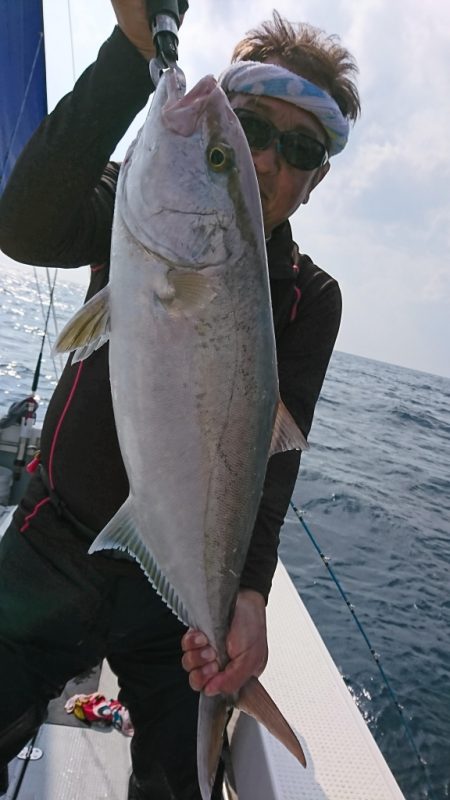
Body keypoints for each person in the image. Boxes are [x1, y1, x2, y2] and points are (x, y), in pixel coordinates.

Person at [0, 1, 360, 798]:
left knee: (177, 788)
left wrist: (250, 592)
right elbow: (23, 227)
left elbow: (272, 460)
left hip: (173, 604)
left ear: (317, 178)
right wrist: (132, 53)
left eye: (298, 149)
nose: (266, 161)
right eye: (249, 133)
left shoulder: (311, 300)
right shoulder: (137, 202)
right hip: (51, 541)